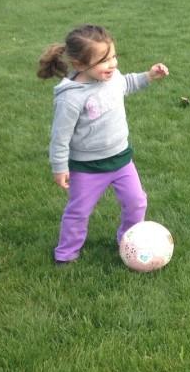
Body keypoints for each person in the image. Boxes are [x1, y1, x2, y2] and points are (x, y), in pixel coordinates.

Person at [37, 24, 169, 263]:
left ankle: (127, 240)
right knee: (78, 212)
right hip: (87, 168)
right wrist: (59, 167)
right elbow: (60, 137)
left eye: (113, 56)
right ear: (80, 65)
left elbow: (126, 83)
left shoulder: (112, 78)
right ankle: (66, 254)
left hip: (121, 160)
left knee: (137, 202)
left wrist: (149, 76)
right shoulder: (71, 97)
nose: (112, 64)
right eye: (104, 60)